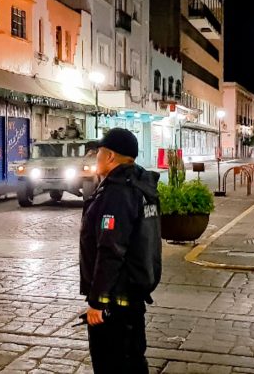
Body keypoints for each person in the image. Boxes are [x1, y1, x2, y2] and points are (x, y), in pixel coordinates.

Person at [80, 128, 162, 374]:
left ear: (111, 156)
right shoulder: (141, 186)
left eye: (98, 152)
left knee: (111, 364)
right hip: (134, 294)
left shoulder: (117, 193)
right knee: (133, 360)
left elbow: (111, 249)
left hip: (116, 300)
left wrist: (97, 301)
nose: (95, 158)